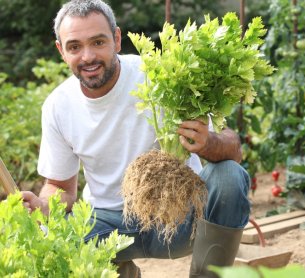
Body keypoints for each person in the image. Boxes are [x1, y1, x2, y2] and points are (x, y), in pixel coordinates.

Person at [21, 0, 250, 277]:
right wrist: (44, 205)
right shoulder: (58, 105)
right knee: (57, 239)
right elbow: (59, 186)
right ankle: (121, 272)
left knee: (229, 175)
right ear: (61, 50)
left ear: (117, 39)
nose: (88, 56)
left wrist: (209, 142)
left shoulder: (160, 76)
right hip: (107, 225)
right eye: (75, 47)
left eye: (98, 42)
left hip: (181, 218)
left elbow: (234, 150)